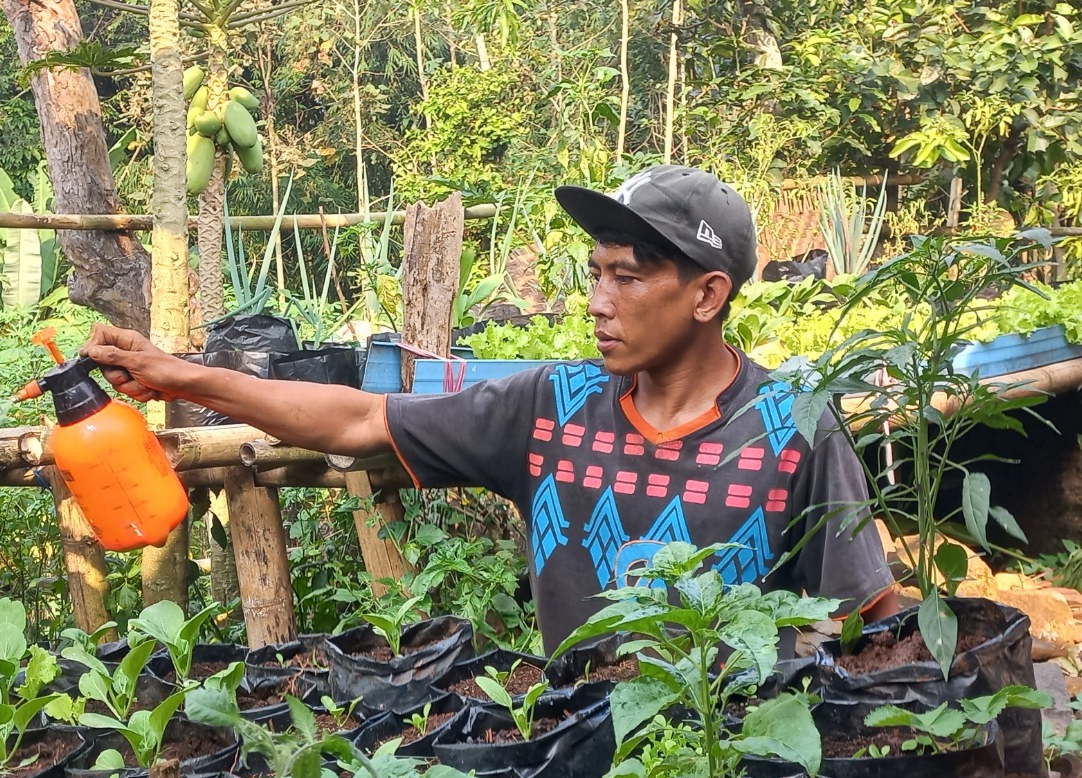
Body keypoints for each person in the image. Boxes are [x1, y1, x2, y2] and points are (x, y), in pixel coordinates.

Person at [80, 164, 898, 654]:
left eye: (629, 276)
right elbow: (360, 419)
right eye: (595, 272)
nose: (599, 302)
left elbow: (871, 626)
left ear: (708, 293)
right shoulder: (553, 408)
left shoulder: (796, 428)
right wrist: (183, 377)